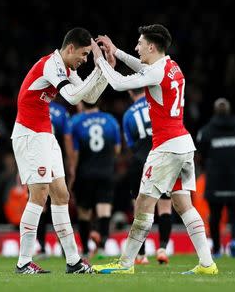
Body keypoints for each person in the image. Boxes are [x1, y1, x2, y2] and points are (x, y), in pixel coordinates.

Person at [91, 24, 218, 275]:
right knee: (183, 205)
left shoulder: (156, 72)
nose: (136, 48)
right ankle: (207, 263)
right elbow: (144, 69)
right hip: (184, 144)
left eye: (139, 44)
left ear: (151, 46)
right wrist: (117, 51)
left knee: (143, 203)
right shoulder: (172, 66)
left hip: (166, 148)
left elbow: (118, 84)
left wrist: (100, 60)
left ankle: (125, 264)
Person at [11, 27, 115, 274]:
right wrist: (99, 67)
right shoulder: (51, 65)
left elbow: (88, 97)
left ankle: (73, 261)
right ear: (70, 48)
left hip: (45, 134)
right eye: (85, 54)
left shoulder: (67, 68)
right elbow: (70, 95)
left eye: (89, 55)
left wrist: (105, 70)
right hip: (29, 134)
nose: (85, 59)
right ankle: (23, 262)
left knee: (61, 194)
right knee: (39, 194)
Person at [123, 87, 172, 265]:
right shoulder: (158, 103)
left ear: (130, 92)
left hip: (140, 160)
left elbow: (130, 145)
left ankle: (141, 254)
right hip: (162, 156)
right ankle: (163, 249)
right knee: (165, 206)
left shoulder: (128, 114)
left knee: (140, 206)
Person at [196, 98, 235, 258]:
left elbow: (201, 152)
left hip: (215, 178)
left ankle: (217, 249)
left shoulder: (206, 131)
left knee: (215, 215)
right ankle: (234, 241)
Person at [70, 100, 121, 258]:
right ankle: (101, 247)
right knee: (104, 210)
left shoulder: (76, 121)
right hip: (105, 172)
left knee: (84, 212)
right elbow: (117, 149)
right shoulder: (110, 120)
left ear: (82, 103)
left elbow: (74, 152)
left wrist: (72, 172)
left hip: (84, 173)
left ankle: (85, 249)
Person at [36, 101, 73, 258]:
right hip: (56, 159)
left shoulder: (34, 106)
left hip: (37, 159)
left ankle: (42, 248)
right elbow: (67, 138)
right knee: (60, 200)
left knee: (40, 203)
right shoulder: (61, 111)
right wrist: (71, 163)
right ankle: (65, 247)